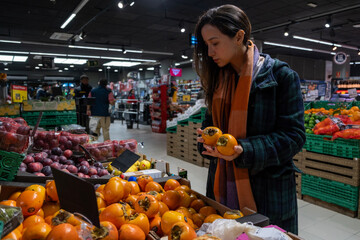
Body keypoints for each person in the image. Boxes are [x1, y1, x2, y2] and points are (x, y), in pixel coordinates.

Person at [195, 5, 305, 234]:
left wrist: (243, 150)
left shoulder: (281, 77)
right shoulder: (219, 81)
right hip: (222, 186)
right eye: (206, 45)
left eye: (215, 43)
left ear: (239, 36)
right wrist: (205, 141)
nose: (210, 52)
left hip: (267, 192)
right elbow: (209, 126)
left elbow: (294, 137)